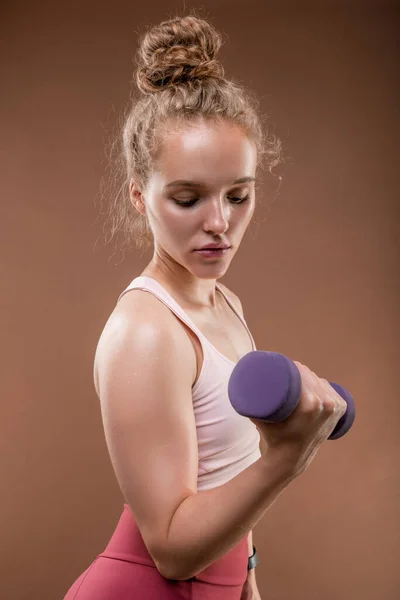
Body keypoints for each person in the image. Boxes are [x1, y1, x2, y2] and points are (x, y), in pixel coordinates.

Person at [63, 12, 347, 600]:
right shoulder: (145, 331)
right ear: (140, 197)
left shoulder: (224, 301)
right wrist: (287, 458)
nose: (219, 223)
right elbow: (170, 548)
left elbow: (224, 484)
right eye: (188, 198)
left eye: (238, 195)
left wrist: (248, 584)